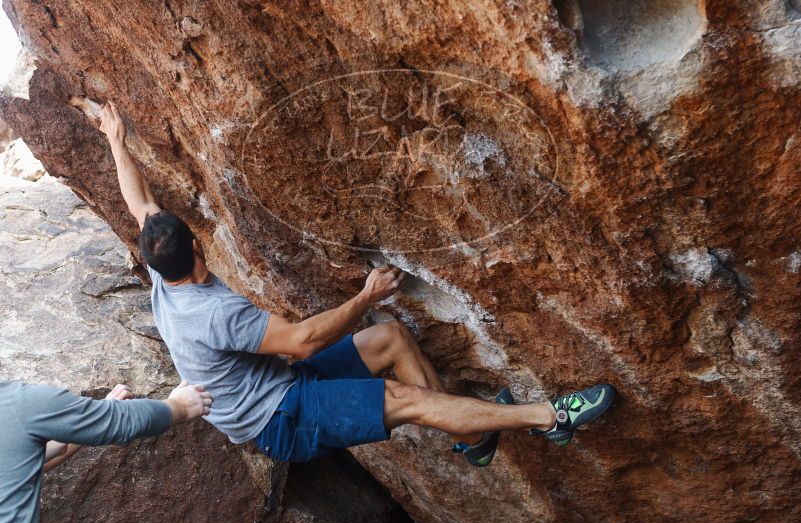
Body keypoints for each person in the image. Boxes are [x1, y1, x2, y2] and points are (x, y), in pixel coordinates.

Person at [99, 101, 615, 468]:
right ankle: (550, 417)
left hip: (285, 386)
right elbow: (303, 340)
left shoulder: (164, 272)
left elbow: (139, 203)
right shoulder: (213, 312)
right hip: (280, 420)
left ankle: (476, 438)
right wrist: (366, 296)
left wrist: (116, 142)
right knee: (402, 398)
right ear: (197, 247)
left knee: (389, 339)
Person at [0, 380, 212, 523]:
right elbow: (122, 421)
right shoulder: (20, 403)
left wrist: (87, 422)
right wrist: (180, 406)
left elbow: (20, 464)